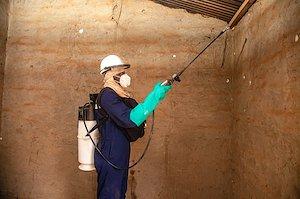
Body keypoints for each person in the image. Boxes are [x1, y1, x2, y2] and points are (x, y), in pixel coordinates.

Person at [94, 55, 172, 199]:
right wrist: (155, 96)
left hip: (118, 152)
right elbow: (131, 119)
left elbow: (136, 111)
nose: (124, 76)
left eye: (124, 72)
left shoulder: (118, 94)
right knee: (111, 195)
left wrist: (159, 91)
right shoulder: (107, 96)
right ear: (109, 73)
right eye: (120, 73)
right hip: (111, 154)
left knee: (118, 194)